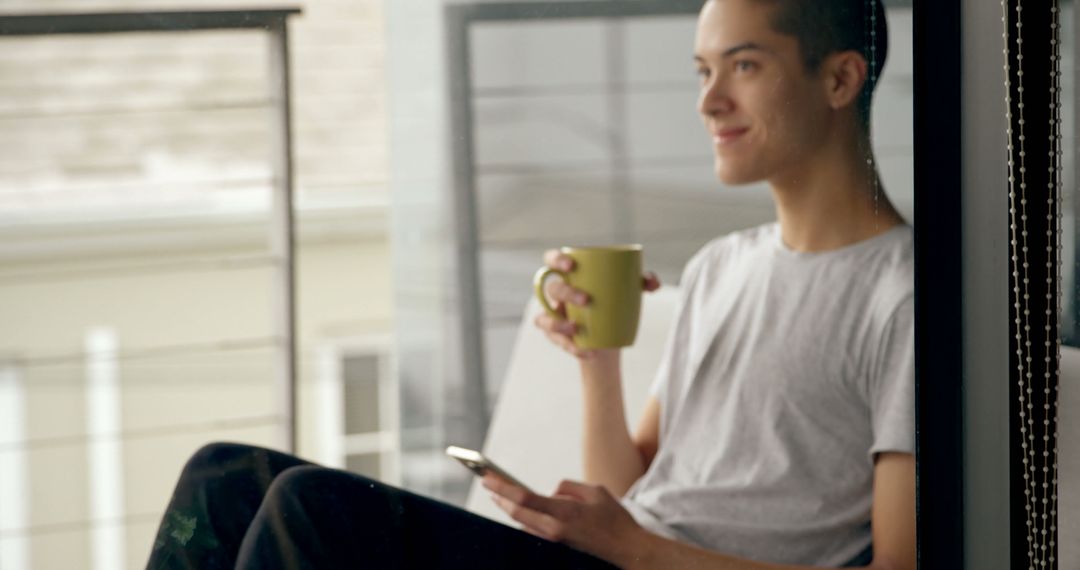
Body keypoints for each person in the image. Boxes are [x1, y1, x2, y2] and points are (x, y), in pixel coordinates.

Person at [146, 0, 914, 568]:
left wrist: (639, 551)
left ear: (840, 79)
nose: (709, 101)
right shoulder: (723, 266)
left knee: (311, 513)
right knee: (224, 478)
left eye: (743, 66)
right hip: (612, 557)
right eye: (703, 71)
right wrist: (597, 361)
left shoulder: (903, 295)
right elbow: (626, 487)